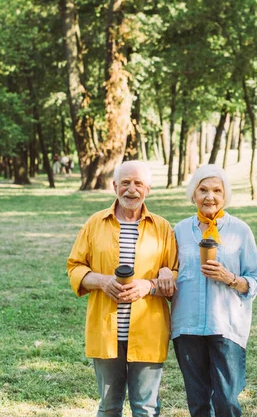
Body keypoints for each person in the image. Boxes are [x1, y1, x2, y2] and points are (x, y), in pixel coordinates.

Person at [67, 160, 178, 417]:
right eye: (125, 183)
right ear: (115, 186)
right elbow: (75, 267)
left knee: (146, 408)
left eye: (138, 183)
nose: (132, 189)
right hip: (106, 330)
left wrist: (149, 285)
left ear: (147, 189)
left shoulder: (162, 228)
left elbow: (174, 276)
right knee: (108, 407)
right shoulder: (95, 224)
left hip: (149, 330)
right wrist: (102, 281)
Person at [171, 164, 257, 417]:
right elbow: (169, 271)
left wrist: (231, 278)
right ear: (193, 194)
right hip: (187, 326)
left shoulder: (240, 231)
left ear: (224, 196)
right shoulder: (178, 231)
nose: (209, 196)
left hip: (226, 326)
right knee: (198, 403)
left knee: (226, 400)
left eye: (216, 190)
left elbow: (256, 279)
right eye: (203, 190)